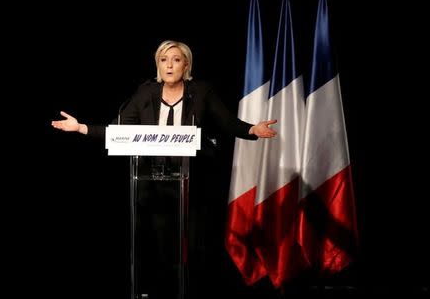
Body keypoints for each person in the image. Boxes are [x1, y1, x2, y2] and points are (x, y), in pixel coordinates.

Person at [51, 40, 277, 298]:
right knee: (160, 248)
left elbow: (227, 122)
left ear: (186, 64)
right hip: (153, 185)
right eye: (163, 60)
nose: (169, 65)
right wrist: (81, 127)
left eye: (176, 59)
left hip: (192, 185)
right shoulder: (145, 94)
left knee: (193, 248)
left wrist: (252, 130)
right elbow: (117, 131)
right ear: (158, 65)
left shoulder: (201, 92)